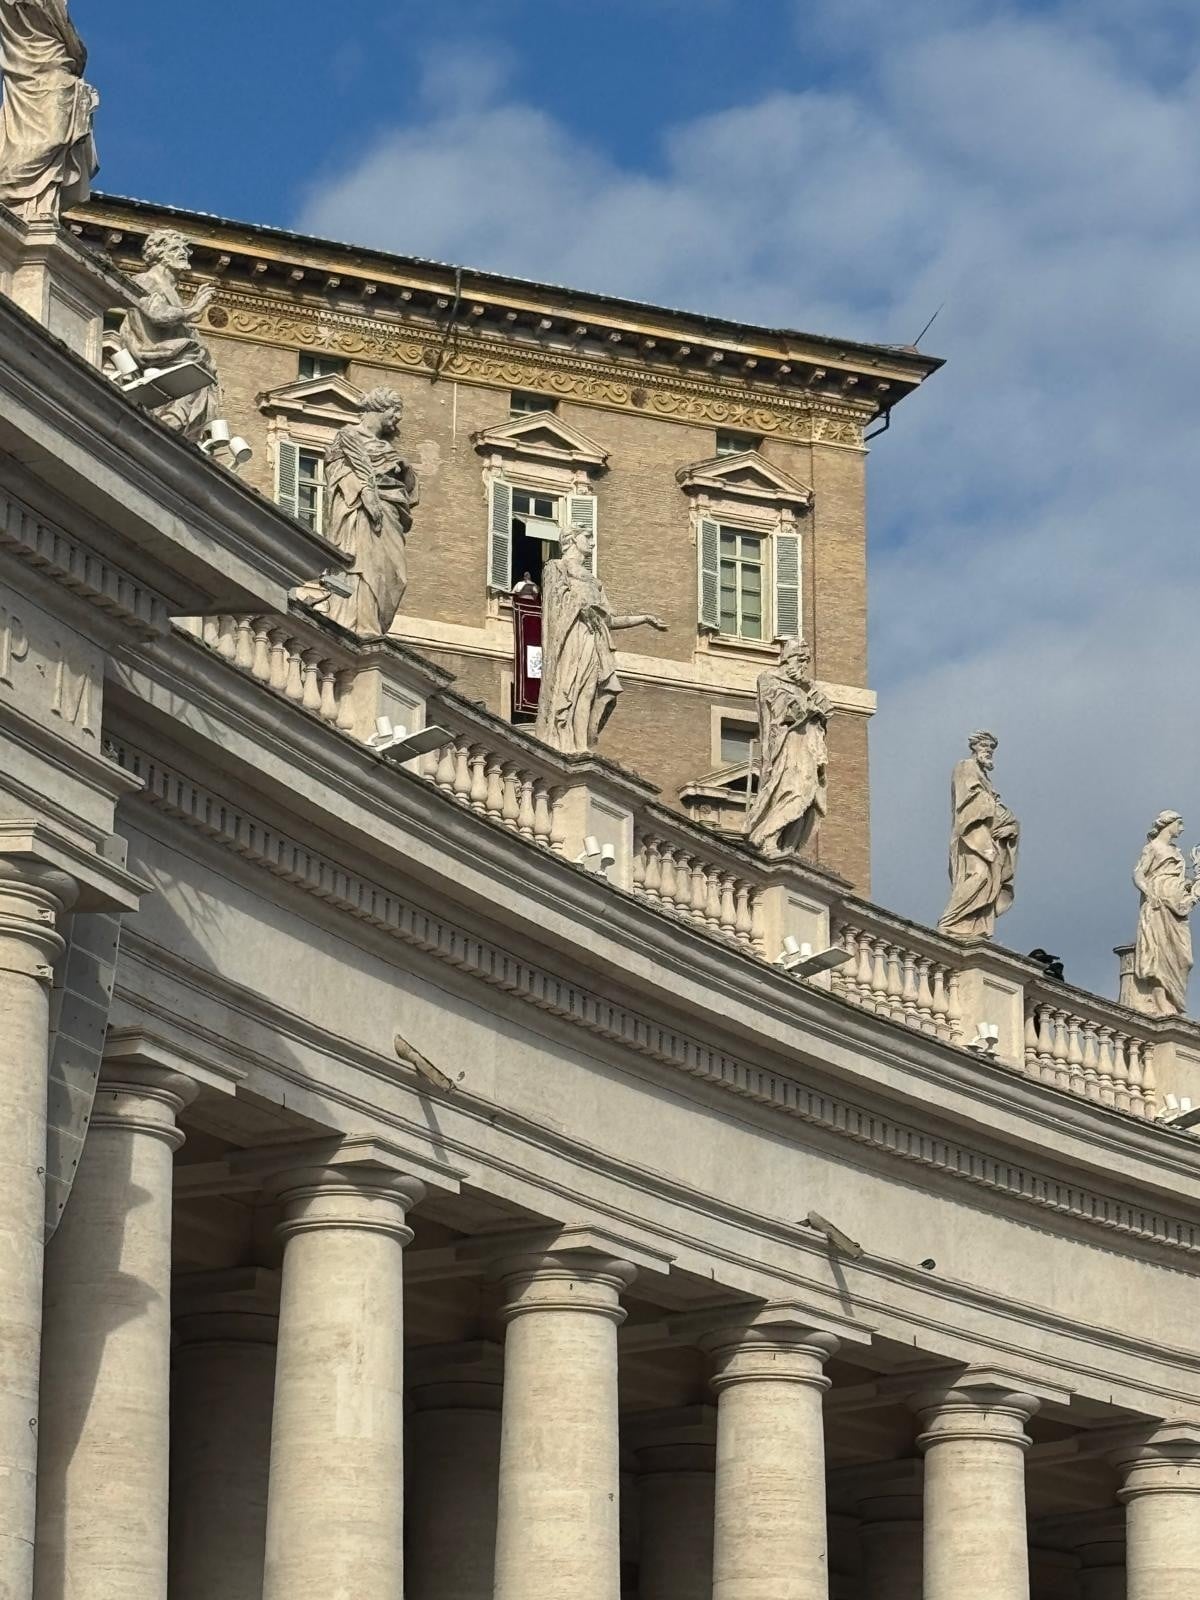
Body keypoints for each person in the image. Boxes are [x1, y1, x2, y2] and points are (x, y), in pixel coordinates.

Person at [534, 522, 665, 754]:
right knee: (569, 688)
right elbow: (555, 604)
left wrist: (644, 618)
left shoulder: (595, 583)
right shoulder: (556, 567)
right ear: (572, 539)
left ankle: (581, 746)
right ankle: (565, 741)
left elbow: (610, 620)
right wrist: (581, 608)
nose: (592, 543)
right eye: (588, 537)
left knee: (588, 691)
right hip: (571, 637)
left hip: (595, 639)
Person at [322, 388, 419, 637]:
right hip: (360, 512)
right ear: (378, 408)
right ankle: (360, 622)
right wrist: (364, 491)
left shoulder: (386, 447)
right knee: (362, 563)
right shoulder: (348, 436)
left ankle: (374, 621)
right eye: (394, 410)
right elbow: (335, 472)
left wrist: (404, 470)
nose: (397, 417)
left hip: (389, 512)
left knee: (394, 573)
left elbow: (410, 492)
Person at [117, 229, 220, 440]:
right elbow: (157, 314)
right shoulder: (146, 279)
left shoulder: (170, 288)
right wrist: (193, 309)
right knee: (192, 364)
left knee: (200, 368)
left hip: (171, 354)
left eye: (184, 249)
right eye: (175, 248)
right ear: (158, 254)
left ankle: (179, 426)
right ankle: (173, 421)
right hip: (155, 352)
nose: (183, 253)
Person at [0, 0, 98, 222]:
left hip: (53, 72)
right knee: (51, 138)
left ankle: (34, 203)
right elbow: (69, 39)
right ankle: (11, 187)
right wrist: (77, 53)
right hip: (37, 74)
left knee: (53, 139)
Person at [745, 639, 830, 856]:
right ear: (787, 659)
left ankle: (790, 848)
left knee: (810, 797)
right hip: (787, 747)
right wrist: (803, 706)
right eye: (800, 660)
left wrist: (809, 694)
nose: (804, 665)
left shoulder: (808, 687)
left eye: (807, 661)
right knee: (793, 790)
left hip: (810, 748)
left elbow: (827, 710)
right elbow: (782, 711)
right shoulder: (769, 679)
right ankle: (766, 838)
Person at [937, 731, 1020, 940]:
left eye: (992, 748)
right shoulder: (965, 766)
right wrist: (997, 810)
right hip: (971, 835)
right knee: (979, 876)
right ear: (975, 746)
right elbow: (971, 799)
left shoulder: (985, 777)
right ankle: (951, 922)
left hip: (987, 836)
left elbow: (990, 801)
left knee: (990, 881)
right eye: (986, 746)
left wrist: (1010, 824)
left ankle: (974, 926)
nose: (989, 751)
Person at [1130, 811, 1200, 1018]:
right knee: (1160, 952)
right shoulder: (1153, 848)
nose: (1182, 828)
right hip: (1159, 904)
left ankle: (1173, 1000)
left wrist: (1192, 884)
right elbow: (1138, 873)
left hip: (1177, 906)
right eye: (1180, 823)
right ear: (1168, 824)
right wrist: (1148, 892)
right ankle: (1162, 1001)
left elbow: (1179, 881)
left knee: (1184, 958)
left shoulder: (1176, 851)